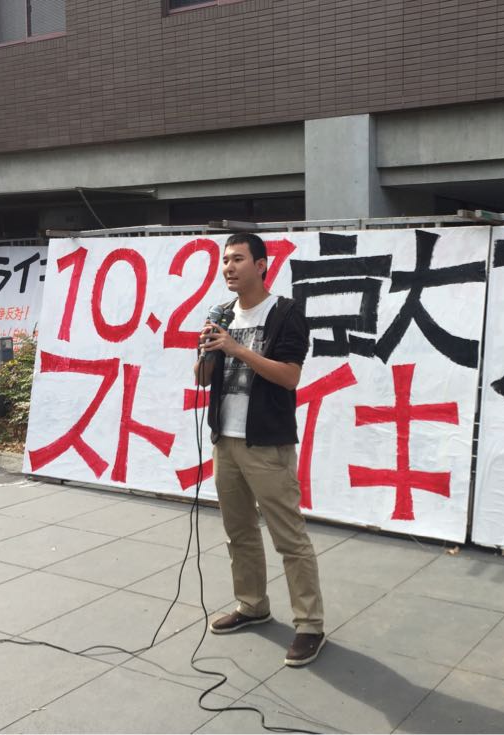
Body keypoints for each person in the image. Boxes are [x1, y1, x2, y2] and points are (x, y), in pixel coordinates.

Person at [194, 232, 326, 667]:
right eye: (225, 260)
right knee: (239, 531)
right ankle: (252, 605)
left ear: (262, 264)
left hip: (267, 443)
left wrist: (236, 348)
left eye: (237, 259)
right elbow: (202, 379)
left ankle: (310, 625)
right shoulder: (221, 314)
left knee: (289, 536)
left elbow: (289, 376)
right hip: (226, 440)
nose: (228, 268)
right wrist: (208, 350)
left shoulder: (285, 313)